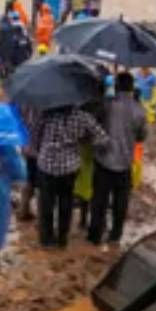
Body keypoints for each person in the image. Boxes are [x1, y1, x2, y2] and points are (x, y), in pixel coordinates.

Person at [33, 106, 109, 248]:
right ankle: (62, 238)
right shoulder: (81, 116)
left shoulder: (46, 114)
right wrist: (85, 141)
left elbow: (35, 136)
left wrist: (40, 150)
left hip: (46, 165)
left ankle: (46, 239)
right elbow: (103, 138)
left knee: (46, 204)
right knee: (66, 203)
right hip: (69, 168)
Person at [90, 73, 146, 245]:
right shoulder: (139, 110)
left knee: (99, 201)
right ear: (131, 87)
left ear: (116, 86)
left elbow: (94, 123)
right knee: (120, 204)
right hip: (125, 163)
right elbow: (141, 137)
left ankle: (95, 235)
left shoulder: (107, 105)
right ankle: (115, 235)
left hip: (104, 159)